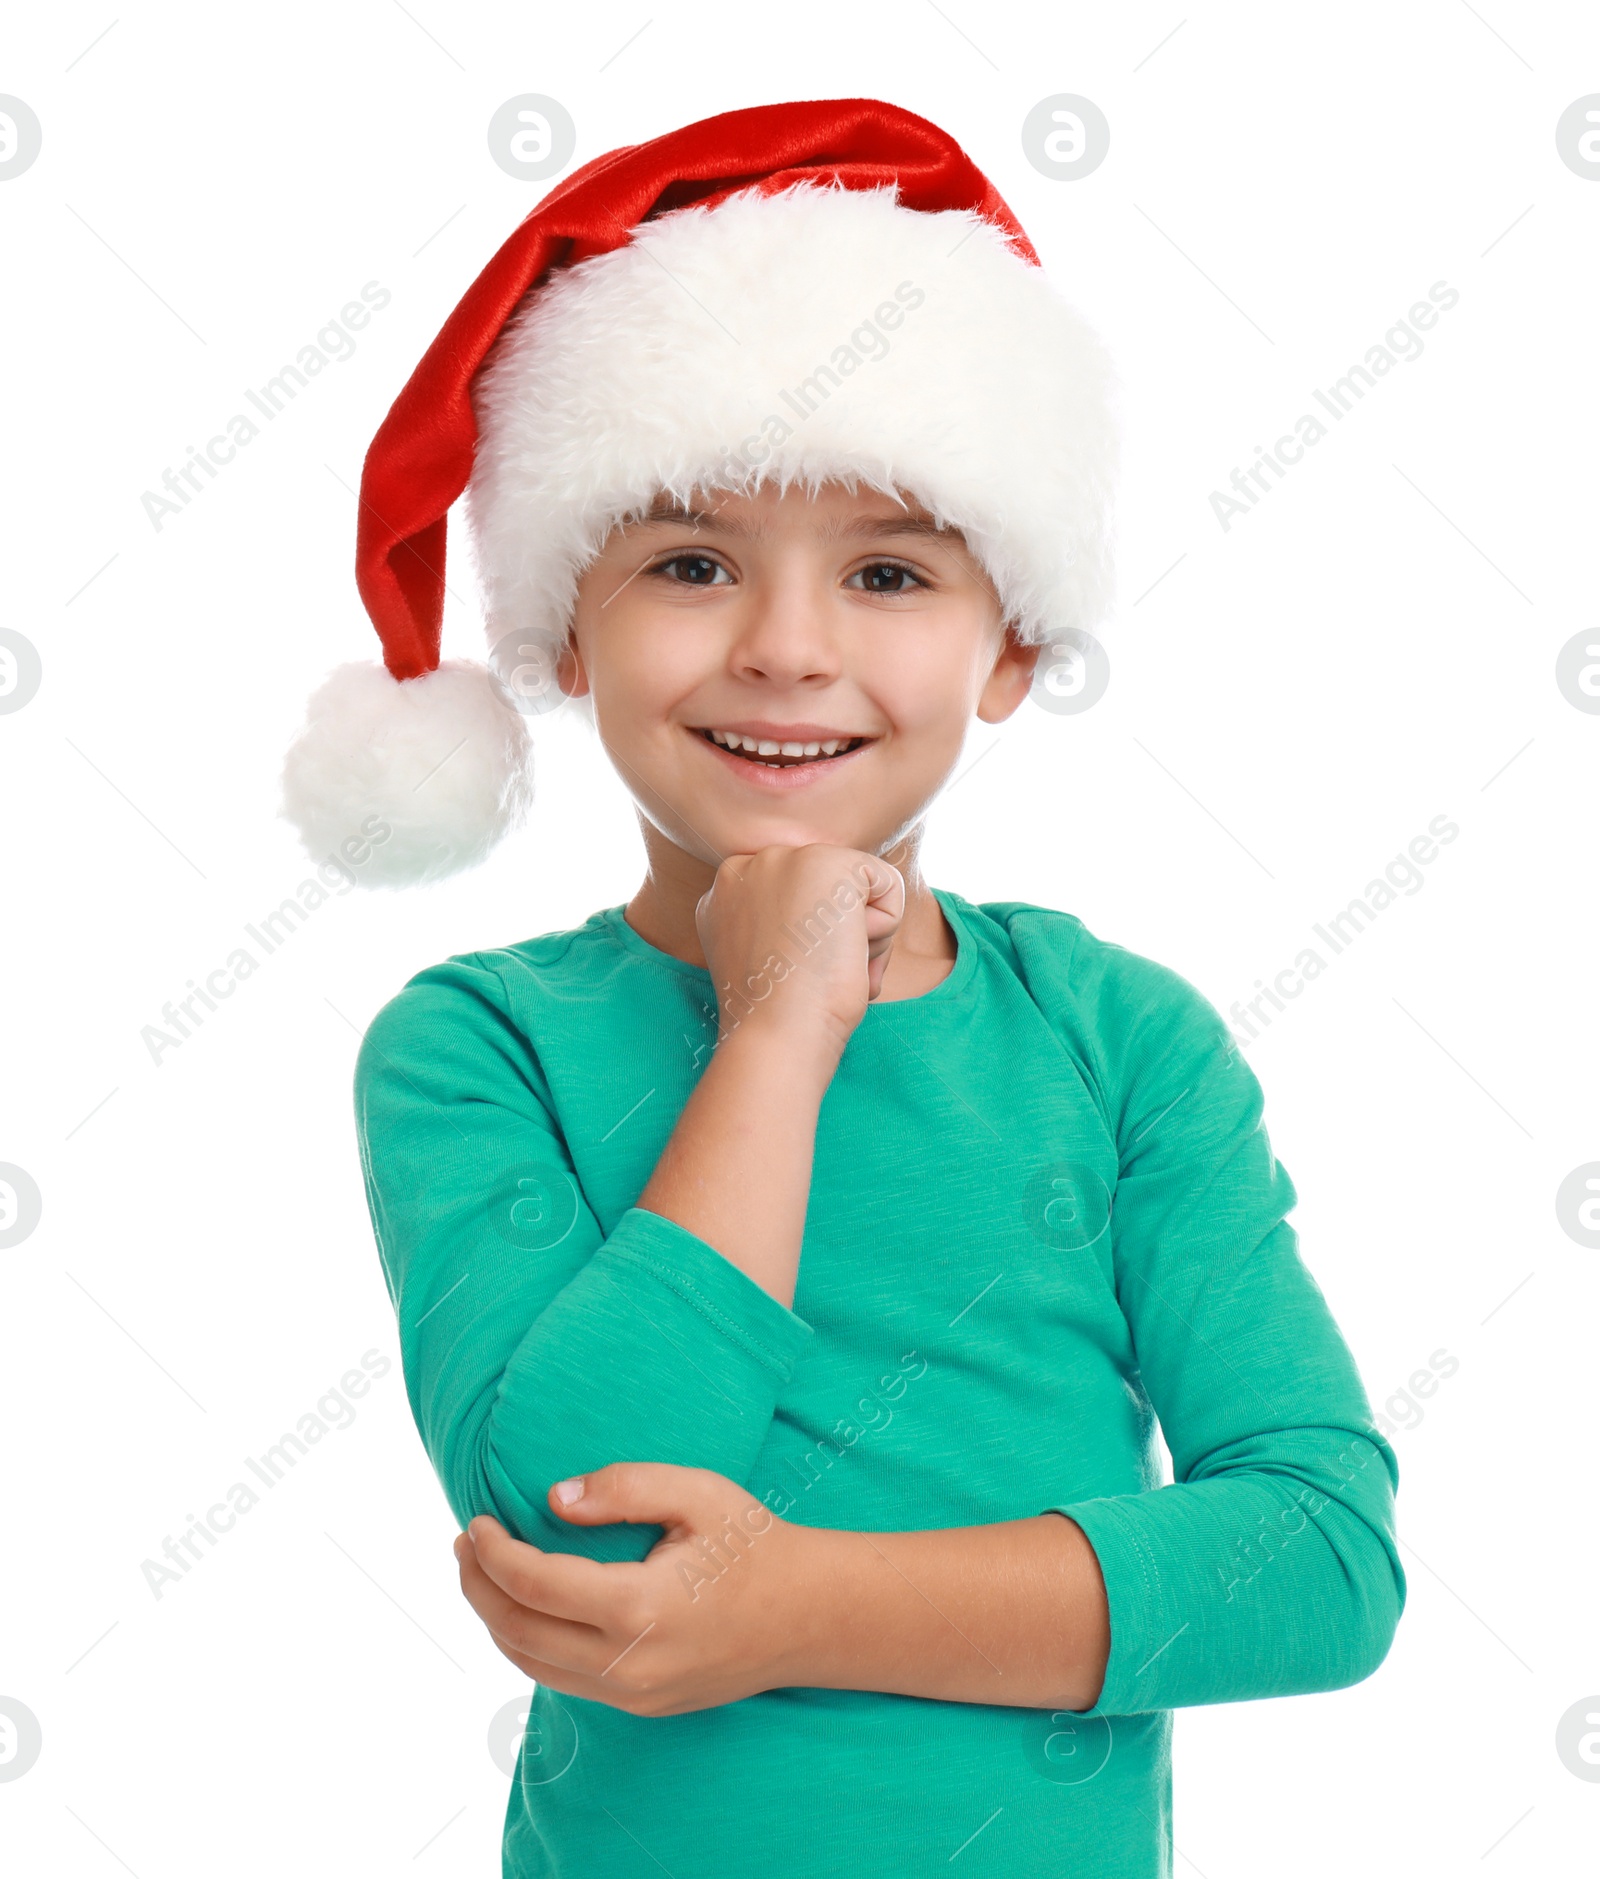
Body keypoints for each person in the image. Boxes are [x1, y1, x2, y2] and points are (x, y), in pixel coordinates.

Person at [283, 98, 1404, 1879]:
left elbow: (1318, 1559)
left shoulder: (1120, 1043)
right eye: (688, 562)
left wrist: (796, 1608)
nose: (787, 647)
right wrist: (783, 1019)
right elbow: (586, 1530)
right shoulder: (477, 1044)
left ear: (1011, 643)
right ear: (567, 627)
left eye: (888, 570)